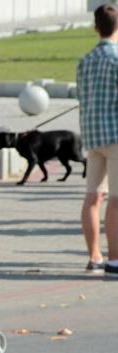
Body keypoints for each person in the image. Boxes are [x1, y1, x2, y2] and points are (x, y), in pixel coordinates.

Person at [77, 3, 118, 277]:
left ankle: (94, 257)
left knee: (93, 196)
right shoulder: (116, 58)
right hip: (115, 135)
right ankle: (115, 259)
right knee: (116, 199)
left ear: (96, 28)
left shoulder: (86, 60)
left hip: (92, 135)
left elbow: (81, 97)